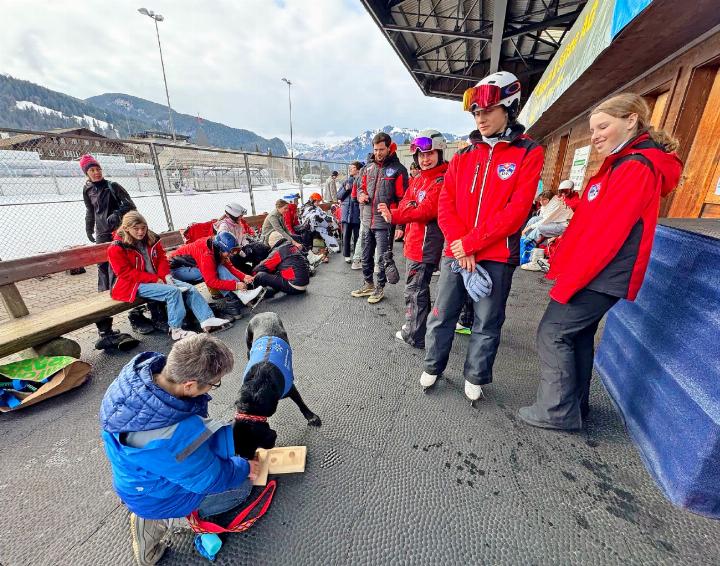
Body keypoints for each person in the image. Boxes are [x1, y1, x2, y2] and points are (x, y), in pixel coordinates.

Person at [518, 93, 682, 431]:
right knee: (576, 336)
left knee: (554, 333)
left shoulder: (635, 167)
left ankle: (556, 411)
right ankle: (576, 406)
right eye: (592, 129)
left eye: (602, 126)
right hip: (597, 272)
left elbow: (607, 235)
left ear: (631, 120)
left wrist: (571, 280)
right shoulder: (624, 164)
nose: (594, 136)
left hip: (599, 273)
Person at [420, 71, 544, 401]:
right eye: (476, 112)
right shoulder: (463, 155)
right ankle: (433, 365)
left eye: (488, 111)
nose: (481, 118)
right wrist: (461, 246)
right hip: (456, 252)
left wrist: (471, 244)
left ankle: (475, 375)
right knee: (442, 314)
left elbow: (517, 211)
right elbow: (446, 203)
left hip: (496, 255)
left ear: (509, 109)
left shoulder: (529, 152)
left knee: (487, 321)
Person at [99, 334, 260, 566]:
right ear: (190, 385)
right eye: (214, 383)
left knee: (220, 460)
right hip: (154, 496)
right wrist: (246, 467)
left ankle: (152, 514)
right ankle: (162, 521)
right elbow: (210, 479)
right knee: (241, 488)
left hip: (138, 475)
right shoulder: (172, 437)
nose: (212, 389)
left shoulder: (138, 377)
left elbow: (187, 445)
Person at [108, 212, 232, 341]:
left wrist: (166, 276)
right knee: (173, 292)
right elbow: (124, 273)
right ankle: (176, 329)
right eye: (136, 229)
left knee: (190, 288)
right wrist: (154, 279)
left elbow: (162, 258)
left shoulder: (151, 238)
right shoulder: (117, 247)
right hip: (133, 284)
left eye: (143, 228)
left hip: (157, 278)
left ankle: (207, 320)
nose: (141, 232)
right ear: (126, 228)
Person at [378, 130, 447, 348]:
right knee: (417, 289)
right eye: (421, 155)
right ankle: (419, 329)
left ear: (440, 153)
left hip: (425, 246)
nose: (425, 159)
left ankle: (414, 335)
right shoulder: (419, 179)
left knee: (415, 291)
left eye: (430, 154)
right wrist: (404, 211)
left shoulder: (441, 179)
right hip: (415, 243)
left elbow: (426, 210)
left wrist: (396, 214)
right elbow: (409, 203)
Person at [81, 154, 142, 351]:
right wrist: (89, 227)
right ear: (86, 173)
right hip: (102, 234)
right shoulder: (87, 189)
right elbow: (90, 210)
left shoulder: (112, 186)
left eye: (98, 168)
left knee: (122, 272)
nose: (96, 172)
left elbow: (130, 205)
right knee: (104, 276)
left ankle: (136, 313)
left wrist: (117, 214)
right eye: (92, 170)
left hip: (119, 232)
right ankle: (104, 328)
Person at [351, 132, 409, 304]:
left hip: (385, 223)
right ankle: (368, 283)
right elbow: (359, 188)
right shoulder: (367, 168)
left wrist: (400, 226)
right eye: (375, 149)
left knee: (384, 257)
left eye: (381, 149)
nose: (378, 153)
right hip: (367, 220)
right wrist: (361, 195)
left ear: (389, 148)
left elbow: (403, 200)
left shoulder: (399, 170)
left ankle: (380, 287)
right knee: (366, 255)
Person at [169, 232, 263, 319]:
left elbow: (228, 266)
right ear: (221, 249)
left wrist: (243, 276)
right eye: (230, 252)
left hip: (189, 265)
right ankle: (240, 294)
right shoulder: (207, 255)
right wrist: (235, 285)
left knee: (220, 267)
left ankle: (240, 294)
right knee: (217, 269)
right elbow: (211, 282)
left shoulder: (216, 247)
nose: (231, 255)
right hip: (175, 270)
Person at [350, 154, 373, 270]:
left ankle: (357, 260)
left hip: (362, 211)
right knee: (374, 237)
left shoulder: (358, 177)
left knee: (362, 236)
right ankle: (376, 264)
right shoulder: (376, 172)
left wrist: (361, 202)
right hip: (373, 212)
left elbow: (353, 196)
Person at [338, 162, 362, 263]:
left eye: (353, 168)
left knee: (358, 236)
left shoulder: (361, 181)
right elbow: (339, 196)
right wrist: (345, 189)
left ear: (358, 169)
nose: (350, 169)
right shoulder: (346, 181)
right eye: (350, 168)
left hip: (357, 212)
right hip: (346, 212)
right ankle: (346, 255)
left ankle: (357, 256)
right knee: (346, 236)